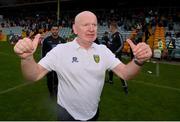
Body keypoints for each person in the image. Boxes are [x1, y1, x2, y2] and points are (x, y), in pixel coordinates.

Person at [14, 11, 152, 121]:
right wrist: (27, 58)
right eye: (85, 25)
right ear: (75, 28)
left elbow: (125, 73)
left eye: (94, 24)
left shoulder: (103, 50)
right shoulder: (61, 50)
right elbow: (33, 75)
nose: (91, 28)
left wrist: (138, 61)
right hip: (66, 115)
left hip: (93, 113)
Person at [42, 23, 66, 99]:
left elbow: (65, 54)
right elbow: (43, 52)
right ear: (51, 30)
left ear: (58, 30)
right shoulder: (46, 40)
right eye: (53, 29)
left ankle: (58, 93)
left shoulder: (62, 40)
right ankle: (51, 93)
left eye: (56, 29)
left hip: (59, 64)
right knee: (49, 79)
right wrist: (44, 64)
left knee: (58, 79)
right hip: (49, 64)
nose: (55, 31)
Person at [106, 21, 128, 94]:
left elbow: (122, 45)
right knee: (110, 68)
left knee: (119, 71)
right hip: (111, 56)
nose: (109, 28)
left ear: (113, 27)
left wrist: (115, 53)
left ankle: (125, 86)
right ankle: (111, 80)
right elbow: (111, 44)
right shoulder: (112, 35)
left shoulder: (118, 35)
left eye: (110, 27)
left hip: (116, 56)